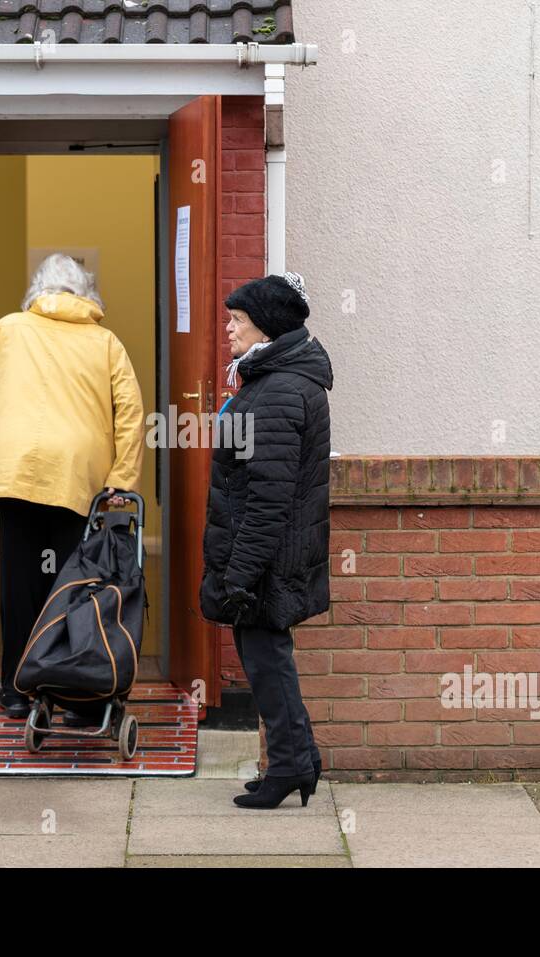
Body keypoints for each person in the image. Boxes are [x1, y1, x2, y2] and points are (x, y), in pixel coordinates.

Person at [0, 254, 145, 724]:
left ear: (38, 289)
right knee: (79, 584)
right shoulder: (105, 342)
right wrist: (122, 479)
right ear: (87, 294)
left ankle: (16, 692)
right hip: (78, 477)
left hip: (15, 471)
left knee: (18, 585)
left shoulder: (10, 328)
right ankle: (79, 696)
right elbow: (132, 415)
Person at [200, 271, 333, 809]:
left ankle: (292, 766)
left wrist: (238, 573)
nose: (229, 330)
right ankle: (295, 760)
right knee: (268, 659)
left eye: (237, 321)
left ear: (266, 328)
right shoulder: (270, 380)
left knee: (267, 660)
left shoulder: (278, 392)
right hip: (268, 557)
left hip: (266, 560)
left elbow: (269, 498)